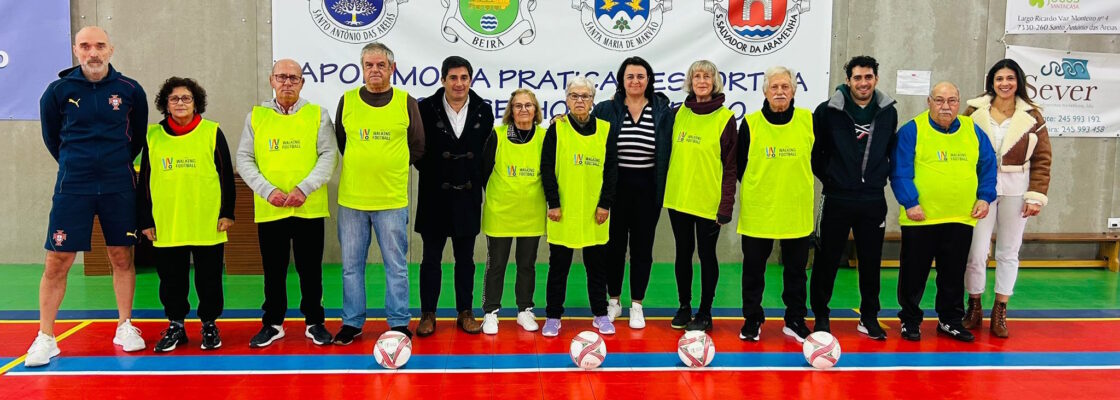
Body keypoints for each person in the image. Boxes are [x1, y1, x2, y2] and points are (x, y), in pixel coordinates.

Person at [27, 26, 148, 367]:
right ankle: (46, 337)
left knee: (121, 256)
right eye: (85, 46)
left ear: (111, 49)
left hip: (118, 185)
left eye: (99, 45)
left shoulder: (130, 90)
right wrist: (76, 165)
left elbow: (136, 138)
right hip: (73, 187)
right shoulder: (57, 91)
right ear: (76, 51)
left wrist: (112, 165)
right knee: (57, 261)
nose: (92, 52)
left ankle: (125, 326)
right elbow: (53, 139)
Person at [237, 59, 337, 348]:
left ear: (303, 82)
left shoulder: (318, 115)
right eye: (281, 77)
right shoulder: (255, 117)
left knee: (311, 269)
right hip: (271, 208)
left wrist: (304, 188)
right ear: (271, 81)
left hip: (309, 207)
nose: (287, 83)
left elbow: (328, 155)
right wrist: (267, 191)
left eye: (294, 78)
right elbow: (244, 159)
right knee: (274, 270)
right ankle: (273, 323)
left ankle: (315, 322)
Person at [891, 81, 997, 343]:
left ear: (958, 103)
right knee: (913, 275)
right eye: (939, 100)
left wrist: (985, 197)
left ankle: (949, 321)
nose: (945, 106)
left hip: (961, 217)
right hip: (921, 218)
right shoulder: (912, 130)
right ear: (929, 102)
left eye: (951, 100)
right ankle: (910, 320)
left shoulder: (973, 130)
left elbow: (988, 165)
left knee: (953, 274)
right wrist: (910, 202)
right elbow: (900, 170)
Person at [333, 42, 425, 344]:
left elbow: (418, 146)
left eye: (381, 65)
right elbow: (342, 142)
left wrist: (389, 168)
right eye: (369, 65)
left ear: (392, 68)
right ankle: (352, 323)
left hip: (392, 201)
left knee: (397, 267)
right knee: (350, 268)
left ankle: (398, 323)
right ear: (362, 68)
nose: (375, 70)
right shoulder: (346, 101)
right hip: (352, 202)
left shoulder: (405, 102)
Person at [138, 77, 234, 352]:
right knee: (171, 281)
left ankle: (209, 324)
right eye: (174, 99)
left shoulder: (212, 132)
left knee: (209, 279)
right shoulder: (152, 135)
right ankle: (176, 325)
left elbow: (226, 175)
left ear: (196, 103)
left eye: (186, 98)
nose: (180, 103)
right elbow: (143, 180)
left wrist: (227, 212)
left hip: (207, 221)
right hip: (168, 221)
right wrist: (146, 219)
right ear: (165, 105)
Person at [808, 56, 898, 340]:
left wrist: (876, 178)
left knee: (871, 262)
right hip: (837, 197)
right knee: (827, 259)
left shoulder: (888, 112)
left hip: (872, 199)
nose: (863, 83)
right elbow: (816, 154)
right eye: (857, 78)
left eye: (868, 77)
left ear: (876, 79)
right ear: (848, 80)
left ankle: (869, 317)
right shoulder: (827, 111)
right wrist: (834, 179)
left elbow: (889, 151)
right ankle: (821, 315)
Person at [962, 59, 1052, 338]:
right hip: (981, 190)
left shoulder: (1034, 116)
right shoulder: (974, 111)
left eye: (1010, 79)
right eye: (999, 78)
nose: (1004, 84)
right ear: (992, 82)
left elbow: (1043, 159)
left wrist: (1036, 195)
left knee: (1008, 252)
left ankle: (1000, 309)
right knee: (976, 252)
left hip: (1017, 188)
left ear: (1018, 82)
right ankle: (974, 305)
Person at [592, 57, 674, 329]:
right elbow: (585, 134)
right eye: (630, 76)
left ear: (648, 80)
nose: (636, 81)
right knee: (613, 248)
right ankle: (613, 301)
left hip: (648, 189)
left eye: (641, 76)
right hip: (615, 188)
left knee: (642, 249)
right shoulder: (605, 109)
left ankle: (637, 304)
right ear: (621, 80)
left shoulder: (662, 111)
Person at [415, 56, 494, 336]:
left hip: (468, 196)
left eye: (464, 78)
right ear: (443, 79)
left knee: (466, 260)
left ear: (470, 80)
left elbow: (486, 154)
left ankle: (465, 312)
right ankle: (428, 314)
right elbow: (417, 149)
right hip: (434, 196)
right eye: (453, 78)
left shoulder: (484, 111)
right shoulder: (424, 108)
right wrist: (438, 173)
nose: (459, 83)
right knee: (430, 259)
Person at [736, 66, 815, 342]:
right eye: (774, 87)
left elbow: (818, 162)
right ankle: (752, 319)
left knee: (796, 272)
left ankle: (794, 319)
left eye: (785, 87)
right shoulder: (750, 123)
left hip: (796, 210)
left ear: (793, 91)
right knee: (753, 270)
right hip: (760, 210)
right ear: (765, 92)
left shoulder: (808, 121)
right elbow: (739, 166)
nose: (780, 92)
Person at [662, 60, 737, 331]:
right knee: (683, 254)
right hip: (679, 199)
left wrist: (726, 205)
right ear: (690, 82)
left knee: (707, 256)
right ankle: (684, 307)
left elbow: (731, 167)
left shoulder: (725, 118)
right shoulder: (677, 112)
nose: (702, 81)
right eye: (697, 76)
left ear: (714, 81)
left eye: (707, 76)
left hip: (709, 202)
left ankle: (705, 312)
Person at [540, 77, 618, 337]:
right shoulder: (557, 129)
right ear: (567, 100)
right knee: (558, 266)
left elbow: (612, 170)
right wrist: (553, 203)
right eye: (574, 96)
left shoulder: (606, 129)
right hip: (562, 210)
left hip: (595, 210)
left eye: (585, 96)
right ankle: (553, 316)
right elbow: (547, 169)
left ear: (593, 101)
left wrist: (605, 204)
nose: (580, 100)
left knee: (597, 266)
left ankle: (599, 314)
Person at [479, 89, 547, 335]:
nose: (523, 110)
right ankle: (490, 312)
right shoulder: (497, 135)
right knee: (496, 264)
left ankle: (525, 310)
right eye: (518, 106)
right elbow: (484, 171)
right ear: (511, 110)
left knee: (526, 265)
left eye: (528, 105)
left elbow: (549, 172)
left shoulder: (545, 136)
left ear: (536, 109)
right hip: (500, 212)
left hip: (531, 212)